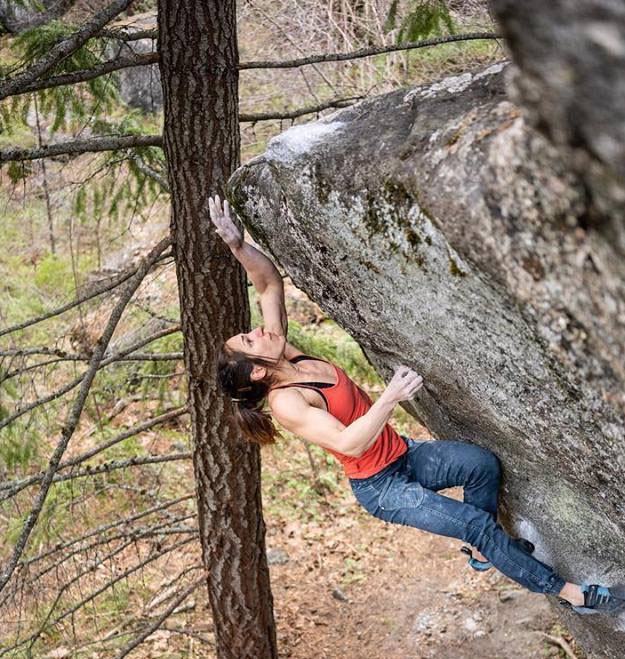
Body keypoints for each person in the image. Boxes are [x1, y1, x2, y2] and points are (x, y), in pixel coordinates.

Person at [209, 193, 624, 615]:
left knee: (481, 465)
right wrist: (390, 397)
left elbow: (268, 283)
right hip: (382, 488)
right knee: (477, 525)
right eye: (248, 340)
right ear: (257, 372)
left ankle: (486, 551)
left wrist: (238, 246)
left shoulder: (284, 352)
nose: (256, 332)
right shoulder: (288, 402)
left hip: (402, 453)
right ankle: (576, 596)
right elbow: (349, 443)